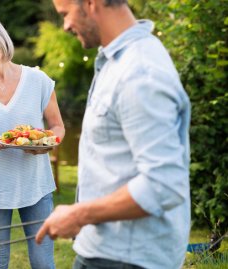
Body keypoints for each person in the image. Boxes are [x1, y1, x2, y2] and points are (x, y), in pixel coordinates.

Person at [35, 0, 191, 268]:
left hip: (125, 258)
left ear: (91, 3)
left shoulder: (139, 72)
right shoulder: (116, 61)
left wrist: (80, 214)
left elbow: (163, 184)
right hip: (107, 250)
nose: (66, 26)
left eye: (66, 14)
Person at [0, 15, 65, 269]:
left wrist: (48, 144)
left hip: (36, 185)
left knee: (43, 262)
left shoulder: (38, 81)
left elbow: (58, 127)